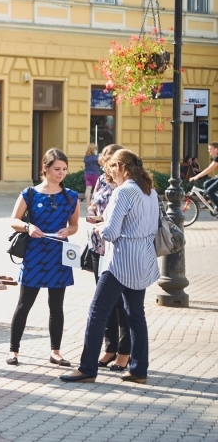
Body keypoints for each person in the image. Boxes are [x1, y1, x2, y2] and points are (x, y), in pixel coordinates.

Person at [61, 149, 159, 385]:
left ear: (119, 168)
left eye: (109, 170)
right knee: (136, 314)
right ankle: (138, 369)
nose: (108, 176)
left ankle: (87, 368)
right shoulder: (150, 191)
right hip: (143, 258)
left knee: (97, 312)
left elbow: (112, 232)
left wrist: (99, 228)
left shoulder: (123, 192)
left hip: (120, 261)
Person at [7, 148, 79, 367]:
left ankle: (55, 352)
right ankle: (14, 351)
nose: (61, 173)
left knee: (56, 306)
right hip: (35, 254)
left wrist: (69, 231)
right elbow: (13, 220)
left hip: (59, 255)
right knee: (24, 304)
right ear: (45, 169)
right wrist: (28, 227)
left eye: (65, 169)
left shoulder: (71, 196)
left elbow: (75, 225)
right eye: (57, 169)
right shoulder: (30, 193)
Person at [86, 144, 131, 371]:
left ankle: (124, 352)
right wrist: (92, 212)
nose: (106, 166)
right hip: (98, 246)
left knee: (122, 304)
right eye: (104, 162)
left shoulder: (126, 185)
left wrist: (103, 219)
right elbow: (94, 202)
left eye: (109, 161)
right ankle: (110, 348)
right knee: (104, 301)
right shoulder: (102, 181)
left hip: (119, 249)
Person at [190, 141, 218, 209]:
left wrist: (196, 176)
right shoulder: (216, 157)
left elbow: (209, 169)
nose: (209, 150)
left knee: (209, 191)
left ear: (216, 149)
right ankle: (208, 204)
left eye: (210, 149)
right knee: (206, 184)